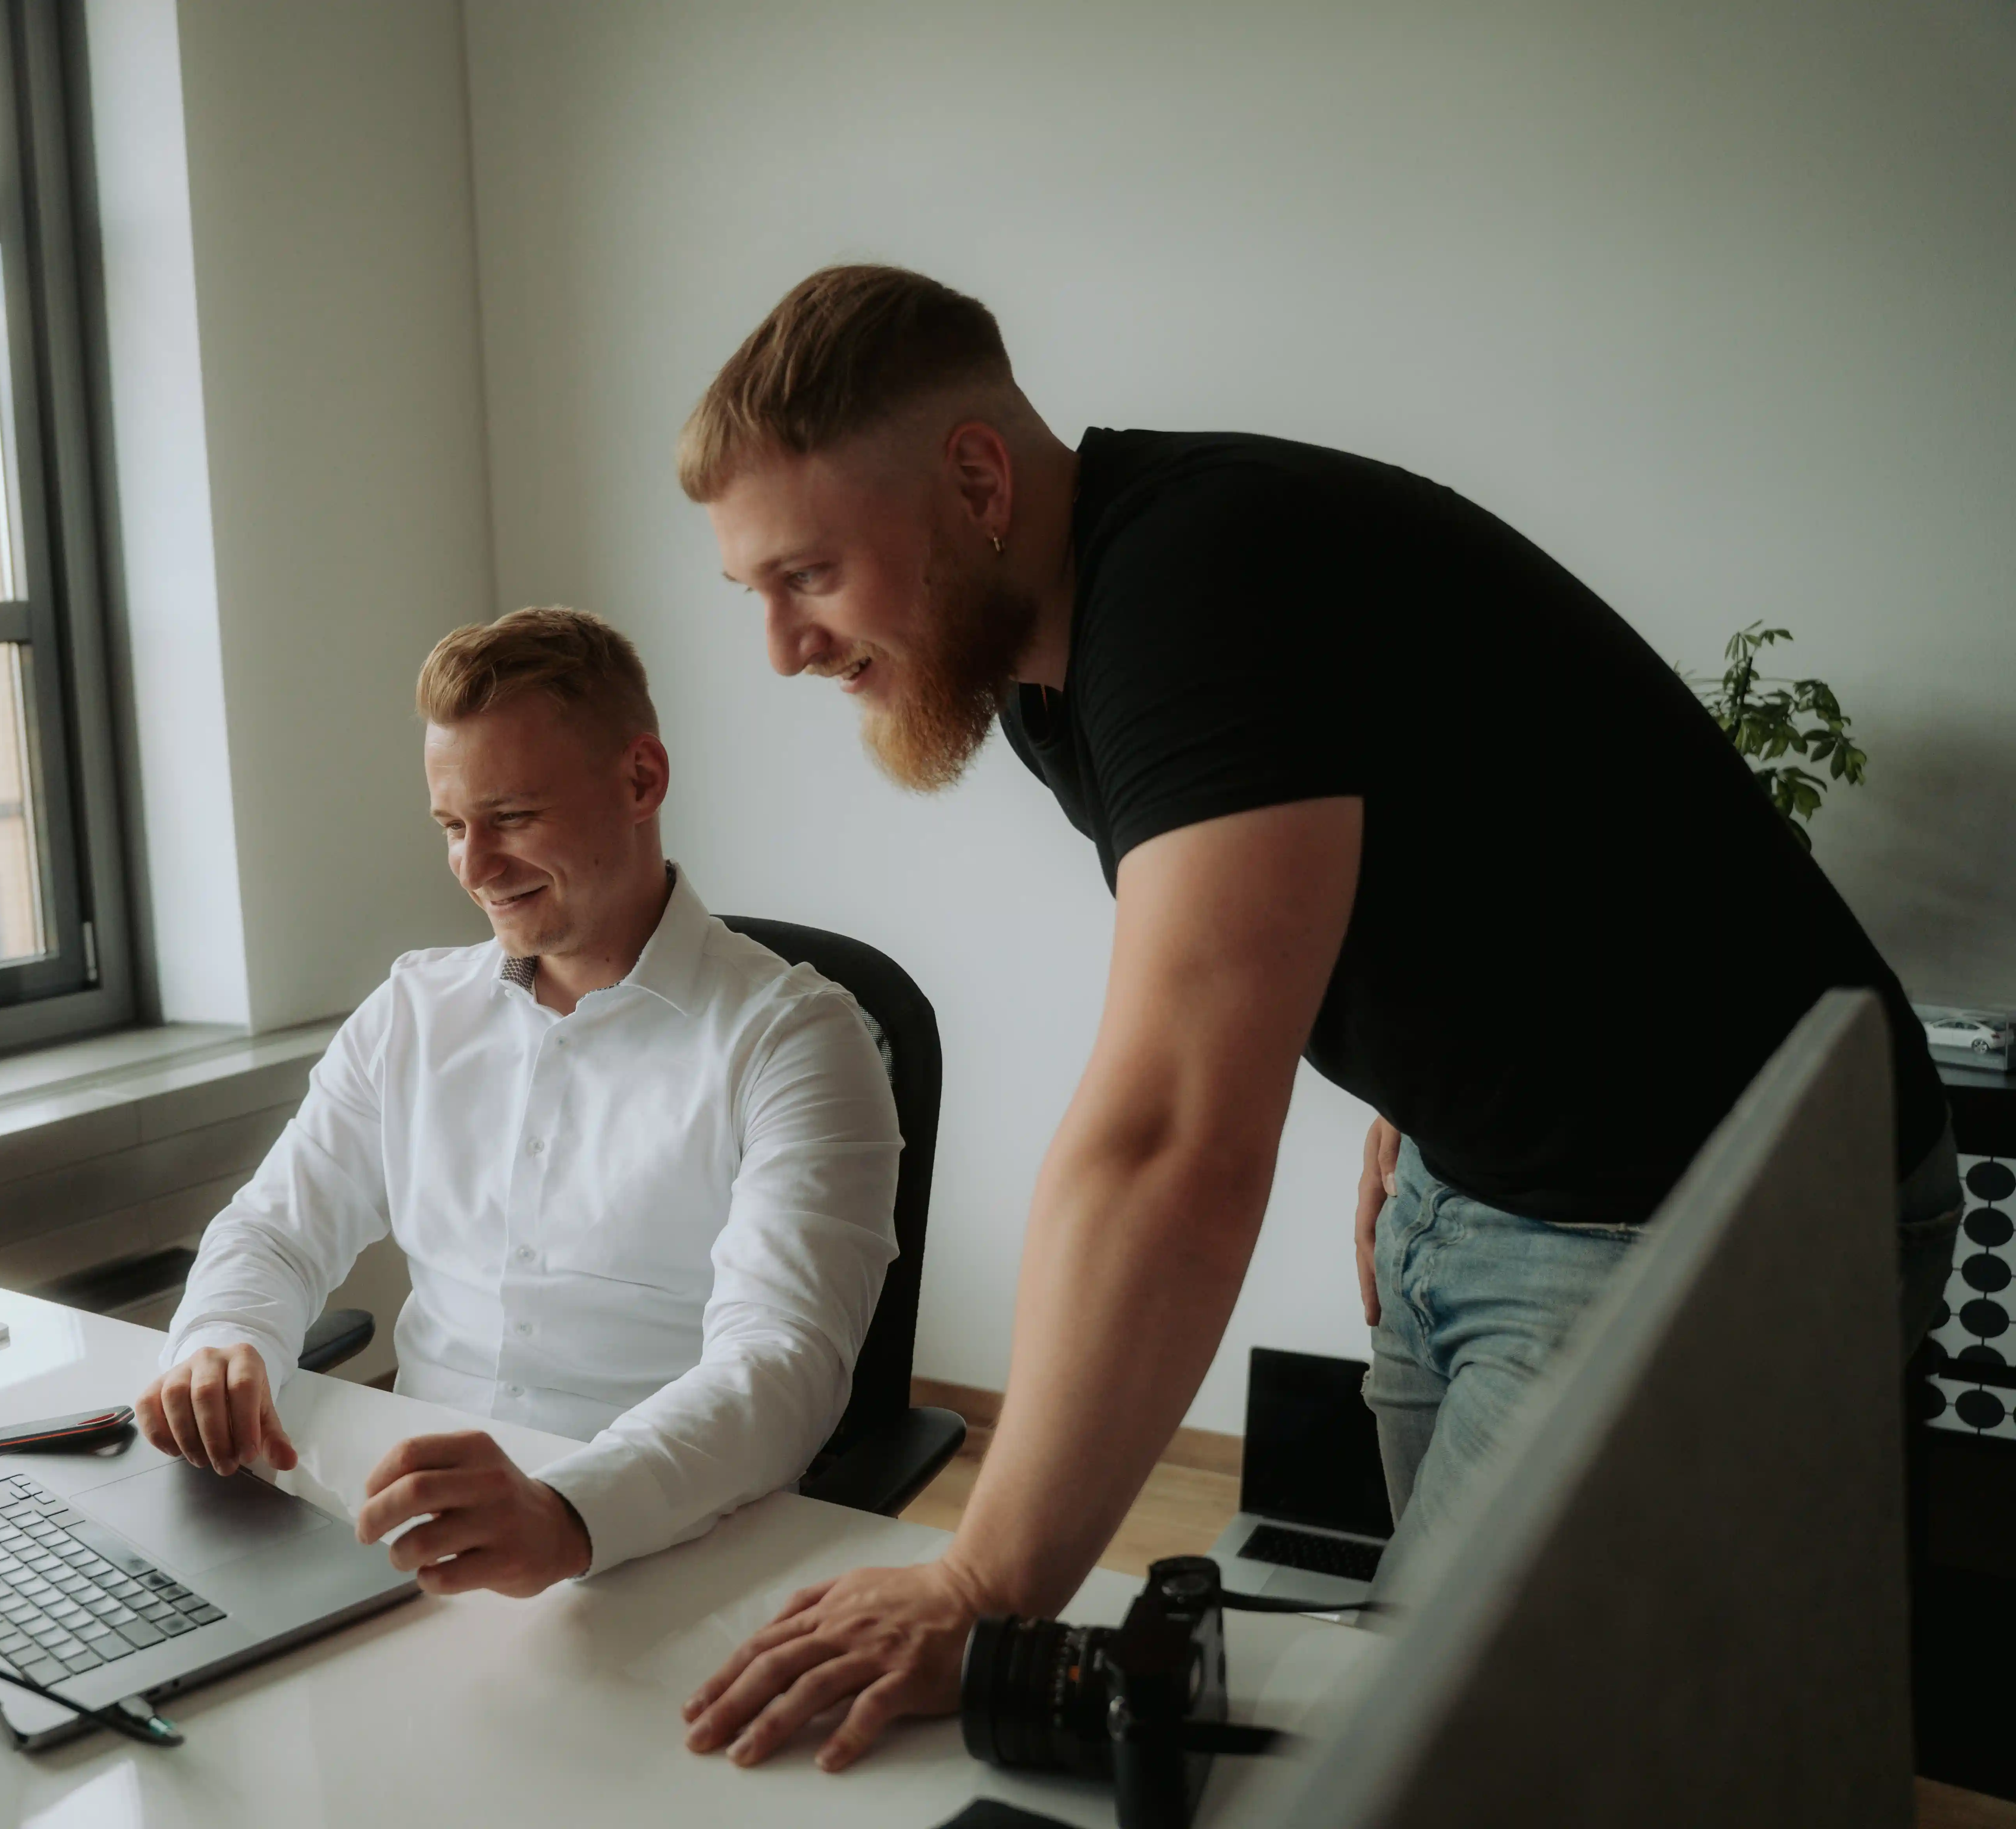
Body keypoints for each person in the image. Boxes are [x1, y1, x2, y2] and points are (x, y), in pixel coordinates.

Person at [668, 265, 1958, 1771]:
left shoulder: (1194, 589)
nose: (779, 648)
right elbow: (1426, 824)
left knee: (1479, 1750)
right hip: (1474, 1184)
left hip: (1687, 1211)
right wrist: (1416, 1092)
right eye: (749, 592)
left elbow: (1164, 1138)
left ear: (973, 478)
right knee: (1461, 1688)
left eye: (807, 576)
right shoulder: (1045, 661)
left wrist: (976, 1581)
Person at [134, 606, 902, 1599]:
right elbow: (276, 1229)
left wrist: (571, 1511)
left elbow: (780, 1360)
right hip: (409, 1532)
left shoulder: (796, 1037)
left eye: (512, 817)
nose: (473, 867)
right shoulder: (413, 1010)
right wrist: (221, 1343)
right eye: (453, 825)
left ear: (641, 780)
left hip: (663, 1547)